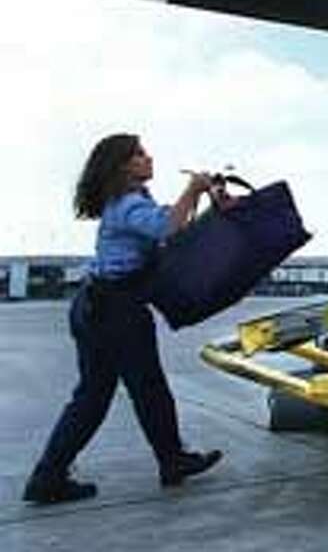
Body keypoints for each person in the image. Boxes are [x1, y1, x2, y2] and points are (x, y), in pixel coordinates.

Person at [23, 134, 224, 505]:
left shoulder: (131, 202)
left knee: (95, 396)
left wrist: (201, 197)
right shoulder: (129, 205)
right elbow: (168, 228)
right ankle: (172, 460)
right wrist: (192, 188)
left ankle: (48, 476)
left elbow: (171, 224)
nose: (149, 158)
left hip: (96, 307)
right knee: (148, 390)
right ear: (123, 166)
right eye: (140, 154)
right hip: (116, 310)